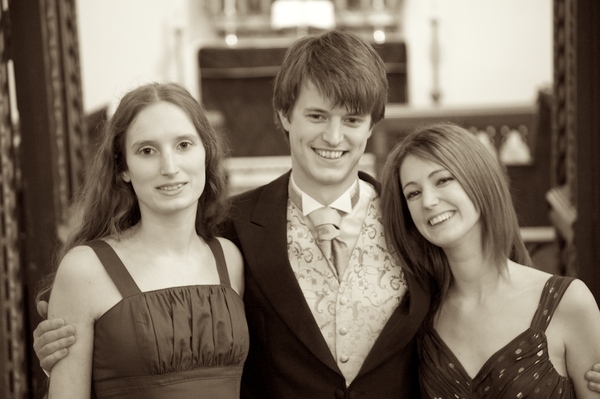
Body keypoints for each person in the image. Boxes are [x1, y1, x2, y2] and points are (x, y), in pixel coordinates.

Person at [32, 31, 600, 398]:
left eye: (352, 120)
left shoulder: (415, 220)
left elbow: (493, 285)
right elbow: (157, 280)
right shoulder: (231, 230)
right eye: (316, 116)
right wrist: (67, 336)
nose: (334, 137)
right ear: (283, 115)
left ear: (372, 125)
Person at [37, 82, 248, 398]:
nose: (169, 167)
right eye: (147, 151)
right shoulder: (85, 270)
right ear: (123, 168)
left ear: (207, 152)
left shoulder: (230, 258)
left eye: (184, 145)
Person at [380, 122, 600, 398]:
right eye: (413, 193)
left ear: (479, 180)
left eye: (443, 180)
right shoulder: (420, 318)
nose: (428, 201)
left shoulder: (569, 302)